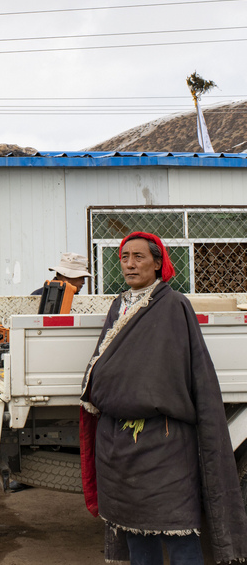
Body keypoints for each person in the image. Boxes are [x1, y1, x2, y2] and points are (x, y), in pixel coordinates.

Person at [79, 232, 247, 565]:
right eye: (124, 257)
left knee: (179, 529)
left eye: (139, 257)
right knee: (136, 531)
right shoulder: (119, 305)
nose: (130, 264)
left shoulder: (173, 305)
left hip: (165, 440)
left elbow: (189, 369)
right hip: (120, 444)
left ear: (158, 263)